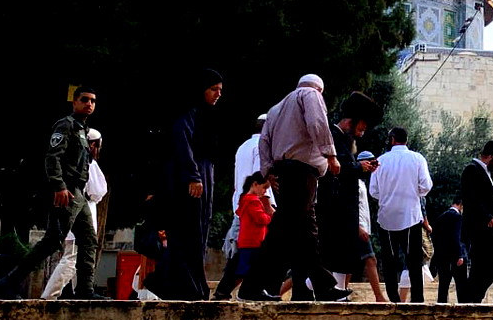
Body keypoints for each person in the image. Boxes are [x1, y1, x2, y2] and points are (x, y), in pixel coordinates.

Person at [0, 87, 103, 300]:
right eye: (85, 100)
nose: (89, 104)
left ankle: (85, 290)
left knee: (89, 241)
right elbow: (52, 158)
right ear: (75, 102)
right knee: (53, 240)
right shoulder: (66, 126)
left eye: (93, 101)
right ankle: (9, 282)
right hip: (67, 191)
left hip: (79, 193)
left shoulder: (82, 130)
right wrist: (59, 186)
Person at [256, 74, 350, 302]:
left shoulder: (277, 107)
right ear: (320, 88)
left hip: (284, 170)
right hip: (301, 172)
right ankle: (253, 285)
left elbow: (264, 140)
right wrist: (331, 155)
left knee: (307, 235)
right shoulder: (311, 95)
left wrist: (268, 171)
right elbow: (317, 123)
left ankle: (324, 286)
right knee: (283, 230)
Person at [150, 69, 224, 301]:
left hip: (203, 172)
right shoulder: (187, 113)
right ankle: (182, 286)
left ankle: (191, 286)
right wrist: (193, 176)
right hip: (190, 177)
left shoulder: (204, 115)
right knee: (188, 231)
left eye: (220, 90)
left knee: (198, 232)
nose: (217, 95)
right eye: (213, 89)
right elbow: (182, 142)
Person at [317, 92, 382, 298]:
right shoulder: (333, 137)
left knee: (336, 257)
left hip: (342, 209)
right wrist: (358, 167)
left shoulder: (343, 140)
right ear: (350, 122)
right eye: (361, 128)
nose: (361, 134)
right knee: (327, 255)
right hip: (333, 207)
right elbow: (337, 169)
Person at [41, 128, 107, 299]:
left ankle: (84, 292)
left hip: (75, 211)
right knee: (72, 258)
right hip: (81, 212)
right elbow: (97, 191)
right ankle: (49, 295)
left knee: (80, 257)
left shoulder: (71, 161)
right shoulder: (87, 163)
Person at [370, 126, 433, 303]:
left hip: (386, 217)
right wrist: (413, 193)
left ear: (391, 140)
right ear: (407, 140)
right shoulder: (417, 158)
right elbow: (426, 187)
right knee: (414, 260)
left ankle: (394, 298)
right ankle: (417, 299)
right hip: (410, 216)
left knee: (389, 260)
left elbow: (374, 191)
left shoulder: (380, 161)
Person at [215, 113, 272, 300]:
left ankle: (227, 290)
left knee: (243, 254)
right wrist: (268, 204)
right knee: (250, 255)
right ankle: (240, 289)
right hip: (256, 206)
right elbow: (260, 177)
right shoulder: (261, 147)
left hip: (241, 204)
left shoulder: (242, 147)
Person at [463, 140, 493, 303]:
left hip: (489, 231)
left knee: (485, 273)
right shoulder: (472, 170)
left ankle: (473, 302)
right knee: (487, 271)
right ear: (491, 157)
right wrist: (486, 216)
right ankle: (474, 303)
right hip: (481, 230)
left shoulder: (484, 172)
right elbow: (471, 198)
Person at [353, 150, 387, 302]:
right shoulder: (353, 182)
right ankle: (379, 296)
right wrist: (359, 227)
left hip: (361, 227)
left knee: (344, 264)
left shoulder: (361, 183)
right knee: (370, 259)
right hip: (357, 228)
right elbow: (352, 207)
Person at [432, 198, 468, 303]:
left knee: (443, 285)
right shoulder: (457, 217)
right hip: (455, 256)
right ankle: (462, 308)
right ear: (460, 205)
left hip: (442, 256)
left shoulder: (440, 217)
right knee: (461, 285)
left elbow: (435, 238)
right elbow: (456, 237)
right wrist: (460, 255)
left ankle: (441, 307)